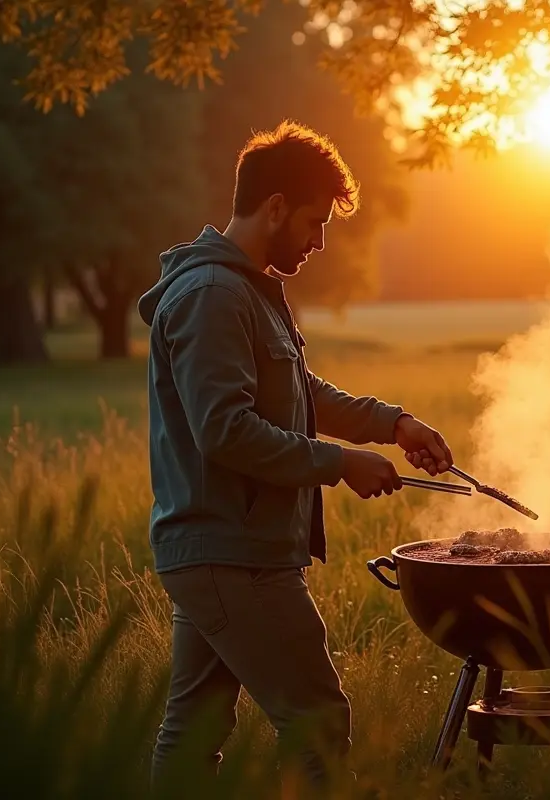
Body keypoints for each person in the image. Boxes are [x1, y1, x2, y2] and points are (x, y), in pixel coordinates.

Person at [137, 120, 453, 790]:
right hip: (233, 553)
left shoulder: (245, 288)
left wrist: (394, 424)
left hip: (221, 548)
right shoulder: (215, 295)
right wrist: (339, 464)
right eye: (313, 222)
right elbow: (224, 430)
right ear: (274, 206)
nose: (318, 242)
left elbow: (301, 393)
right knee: (316, 719)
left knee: (193, 730)